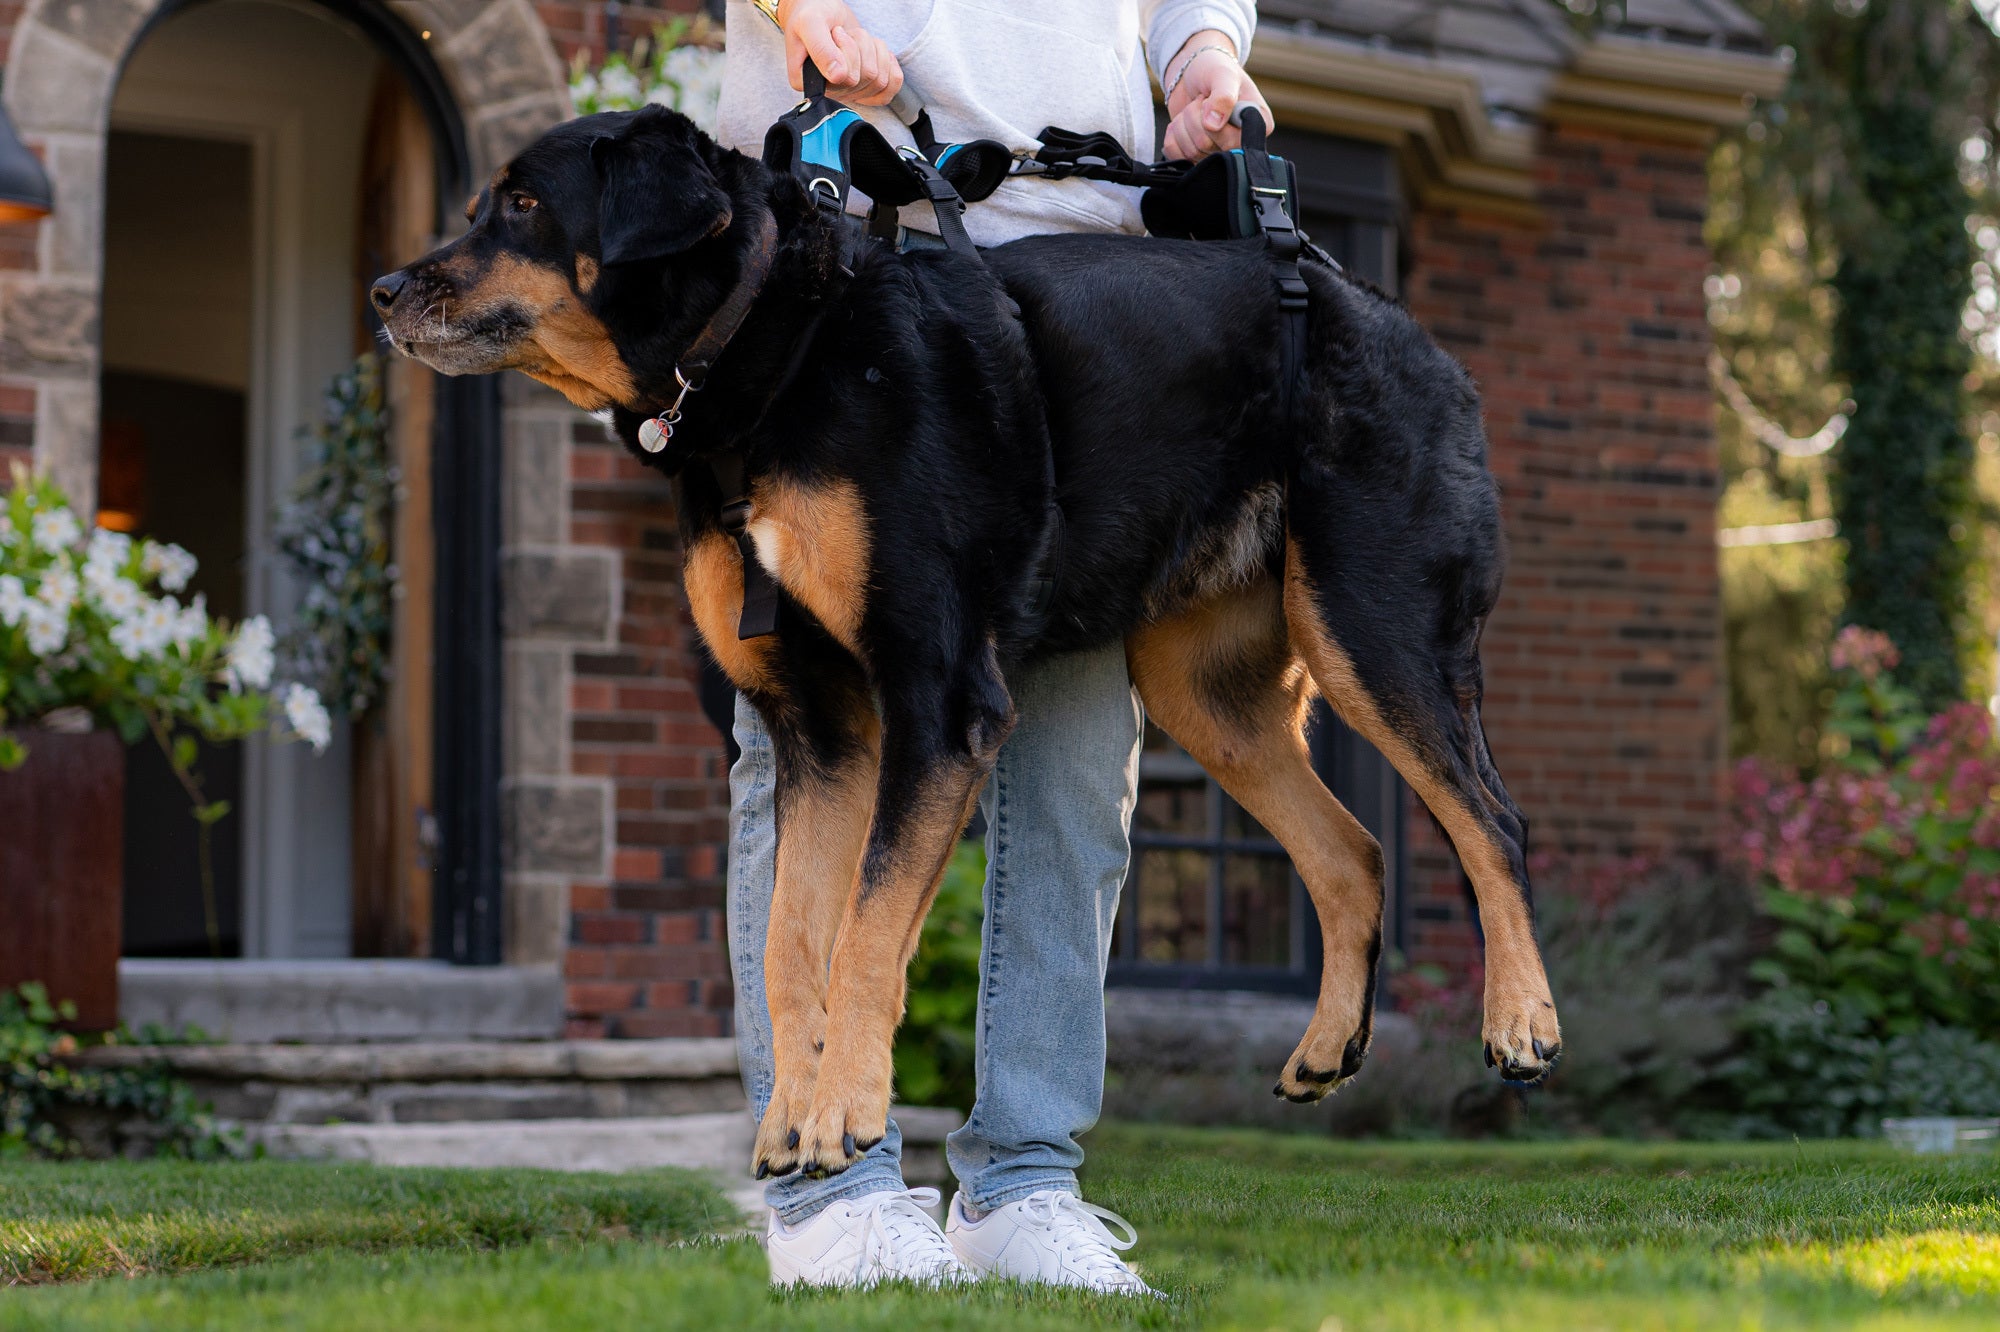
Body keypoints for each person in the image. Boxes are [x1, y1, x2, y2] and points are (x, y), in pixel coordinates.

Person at [718, 0, 1270, 1292]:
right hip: (849, 232)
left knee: (1077, 755)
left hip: (1087, 273)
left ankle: (1024, 1179)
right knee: (820, 741)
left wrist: (1202, 60)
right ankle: (825, 1181)